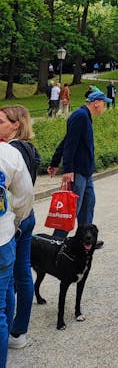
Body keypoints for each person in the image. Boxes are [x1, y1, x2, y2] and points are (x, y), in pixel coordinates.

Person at [0, 106, 40, 350]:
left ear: (16, 124)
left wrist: (12, 222)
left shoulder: (12, 149)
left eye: (2, 121)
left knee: (16, 277)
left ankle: (17, 330)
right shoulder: (26, 146)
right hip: (25, 216)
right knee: (21, 272)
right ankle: (18, 331)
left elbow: (20, 192)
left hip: (16, 219)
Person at [47, 91, 110, 245]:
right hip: (78, 172)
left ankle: (85, 240)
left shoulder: (85, 117)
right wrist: (67, 169)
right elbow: (70, 143)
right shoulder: (80, 116)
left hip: (86, 172)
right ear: (96, 102)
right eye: (104, 103)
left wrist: (55, 162)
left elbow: (67, 140)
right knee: (71, 209)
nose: (104, 107)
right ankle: (57, 243)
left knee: (88, 205)